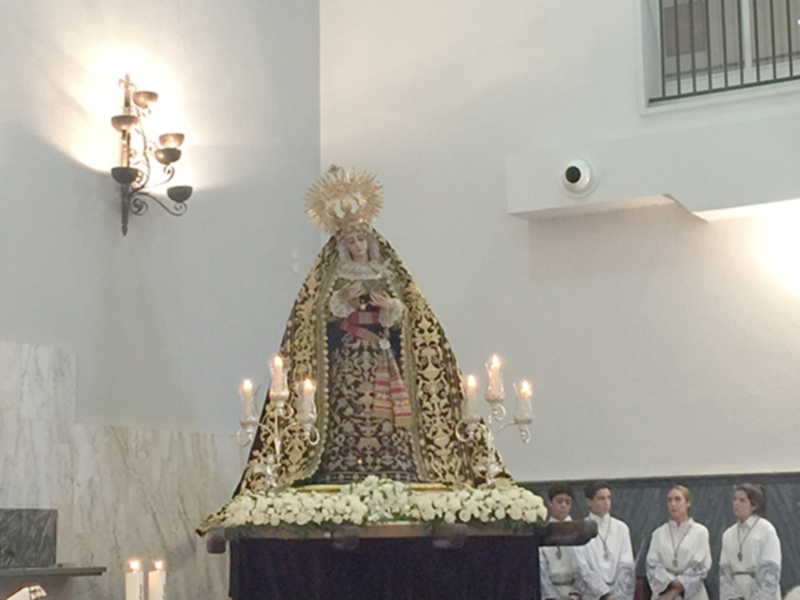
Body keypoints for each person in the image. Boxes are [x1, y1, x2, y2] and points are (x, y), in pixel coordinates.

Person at [232, 166, 504, 491]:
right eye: (351, 240)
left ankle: (392, 466)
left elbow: (409, 318)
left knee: (386, 413)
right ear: (343, 244)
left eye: (361, 239)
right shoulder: (331, 276)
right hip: (347, 360)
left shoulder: (387, 272)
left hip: (381, 354)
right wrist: (342, 300)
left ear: (370, 241)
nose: (357, 245)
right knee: (348, 409)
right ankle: (341, 467)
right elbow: (313, 319)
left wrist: (390, 307)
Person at [646, 485, 712, 600]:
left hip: (692, 595)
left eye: (677, 499)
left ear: (688, 503)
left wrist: (673, 592)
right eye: (670, 500)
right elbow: (652, 565)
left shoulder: (700, 532)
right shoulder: (658, 533)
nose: (673, 504)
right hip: (663, 591)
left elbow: (699, 567)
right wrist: (669, 582)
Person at [574, 481, 635, 600]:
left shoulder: (621, 528)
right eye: (601, 498)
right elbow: (583, 568)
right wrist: (605, 595)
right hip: (593, 595)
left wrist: (617, 596)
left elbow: (627, 565)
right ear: (589, 502)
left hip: (618, 595)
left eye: (608, 498)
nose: (606, 502)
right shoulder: (580, 530)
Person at [719, 483, 781, 600]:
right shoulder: (728, 534)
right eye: (735, 499)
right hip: (736, 593)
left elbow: (770, 571)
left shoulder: (766, 530)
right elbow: (725, 573)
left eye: (742, 500)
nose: (736, 503)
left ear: (754, 505)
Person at [541, 483, 584, 600]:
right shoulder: (543, 531)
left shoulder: (579, 531)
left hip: (574, 592)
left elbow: (583, 567)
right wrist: (551, 597)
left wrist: (574, 595)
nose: (563, 505)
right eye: (559, 501)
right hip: (549, 593)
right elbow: (541, 570)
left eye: (567, 502)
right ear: (550, 503)